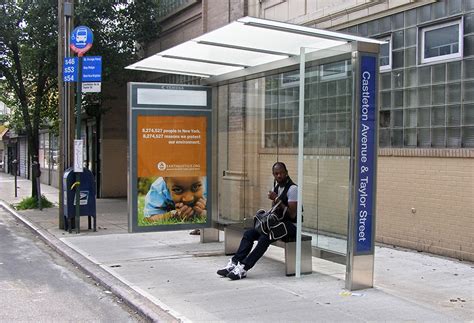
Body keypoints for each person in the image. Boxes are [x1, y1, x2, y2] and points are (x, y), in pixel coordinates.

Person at [217, 162, 298, 280]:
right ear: (273, 175)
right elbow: (275, 211)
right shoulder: (276, 187)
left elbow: (292, 214)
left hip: (290, 226)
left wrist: (276, 198)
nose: (279, 176)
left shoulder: (293, 189)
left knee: (265, 238)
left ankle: (243, 268)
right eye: (276, 174)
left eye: (281, 173)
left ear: (286, 173)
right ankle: (234, 263)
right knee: (249, 233)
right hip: (277, 223)